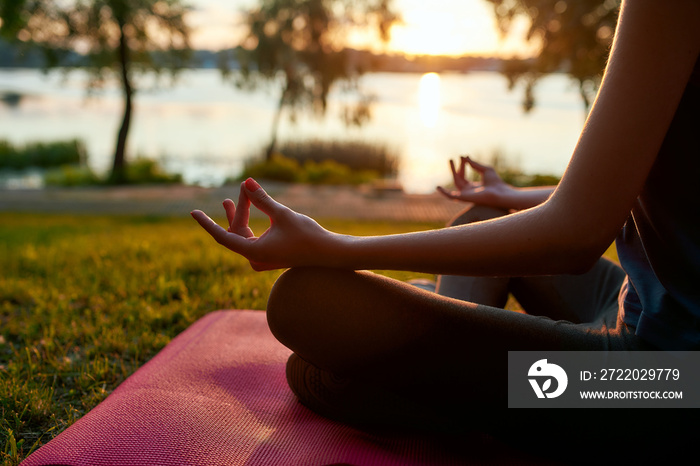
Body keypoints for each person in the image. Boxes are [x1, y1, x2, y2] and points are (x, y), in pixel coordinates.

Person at [192, 0, 699, 458]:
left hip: (665, 385)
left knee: (308, 317)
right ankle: (459, 352)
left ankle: (467, 374)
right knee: (481, 220)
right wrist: (512, 198)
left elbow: (575, 239)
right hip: (633, 307)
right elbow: (615, 197)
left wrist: (334, 247)